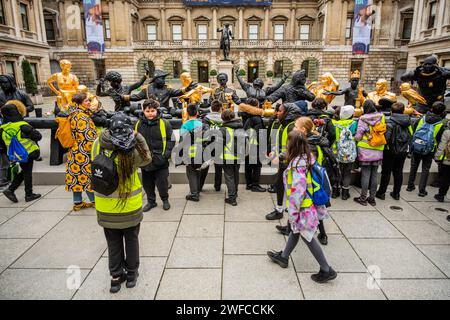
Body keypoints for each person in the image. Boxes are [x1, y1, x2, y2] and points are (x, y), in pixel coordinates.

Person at [92, 113, 151, 294]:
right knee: (131, 239)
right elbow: (147, 159)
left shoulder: (97, 143)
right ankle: (132, 274)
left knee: (113, 242)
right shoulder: (131, 150)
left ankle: (116, 278)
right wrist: (138, 136)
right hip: (129, 205)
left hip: (105, 205)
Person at [267, 130, 337, 283]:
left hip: (302, 207)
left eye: (288, 143)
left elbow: (297, 192)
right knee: (295, 230)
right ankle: (284, 257)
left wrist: (293, 212)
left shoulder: (297, 165)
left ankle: (326, 269)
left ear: (293, 145)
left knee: (307, 236)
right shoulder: (308, 158)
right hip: (309, 204)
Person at [277, 117, 331, 245]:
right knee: (314, 207)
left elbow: (302, 158)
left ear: (303, 129)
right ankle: (289, 228)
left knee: (315, 207)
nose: (294, 128)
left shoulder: (309, 143)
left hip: (311, 182)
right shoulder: (309, 139)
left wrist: (285, 157)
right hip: (310, 180)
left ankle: (322, 234)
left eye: (296, 126)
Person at [266, 103, 304, 220]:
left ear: (288, 113)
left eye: (280, 111)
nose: (277, 113)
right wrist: (274, 152)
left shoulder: (293, 128)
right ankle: (280, 210)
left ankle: (290, 218)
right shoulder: (283, 125)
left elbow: (295, 148)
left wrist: (280, 156)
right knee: (279, 185)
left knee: (290, 189)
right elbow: (280, 144)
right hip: (285, 163)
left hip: (292, 164)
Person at [136, 99, 175, 212]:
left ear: (156, 111)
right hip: (146, 160)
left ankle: (165, 199)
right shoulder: (138, 124)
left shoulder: (164, 123)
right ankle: (151, 201)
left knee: (162, 183)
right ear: (143, 111)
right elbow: (135, 141)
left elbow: (171, 140)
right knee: (147, 183)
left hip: (160, 160)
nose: (150, 113)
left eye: (152, 111)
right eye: (147, 111)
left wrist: (165, 155)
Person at [0, 100, 41, 202]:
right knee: (27, 173)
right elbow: (38, 136)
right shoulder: (22, 125)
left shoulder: (3, 128)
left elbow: (2, 144)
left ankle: (11, 190)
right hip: (28, 153)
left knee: (25, 171)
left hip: (15, 154)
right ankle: (28, 194)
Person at [407, 101, 446, 196]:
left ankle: (410, 186)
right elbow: (440, 139)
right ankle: (421, 190)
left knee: (414, 166)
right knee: (425, 169)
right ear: (442, 112)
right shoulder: (440, 124)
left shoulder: (422, 118)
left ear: (431, 109)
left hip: (416, 145)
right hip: (429, 150)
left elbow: (413, 130)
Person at [66, 93, 98, 211]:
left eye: (89, 100)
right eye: (86, 101)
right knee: (87, 177)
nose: (89, 102)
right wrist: (95, 151)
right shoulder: (81, 117)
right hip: (83, 152)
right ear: (80, 103)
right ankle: (94, 201)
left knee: (76, 177)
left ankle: (78, 203)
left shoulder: (75, 113)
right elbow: (87, 137)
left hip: (75, 151)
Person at [376, 102, 413, 200]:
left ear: (391, 111)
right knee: (398, 172)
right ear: (403, 111)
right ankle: (396, 193)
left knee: (386, 172)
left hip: (390, 151)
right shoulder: (408, 122)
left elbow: (386, 139)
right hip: (403, 150)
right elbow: (411, 135)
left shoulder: (390, 122)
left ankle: (381, 192)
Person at [354, 100, 386, 206]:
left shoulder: (362, 119)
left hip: (365, 150)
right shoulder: (382, 117)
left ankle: (363, 198)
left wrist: (356, 138)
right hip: (378, 148)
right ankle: (372, 198)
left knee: (365, 174)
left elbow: (358, 136)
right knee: (374, 175)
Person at [180, 104, 210, 201]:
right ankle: (199, 188)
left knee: (191, 172)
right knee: (199, 170)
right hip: (202, 152)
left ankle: (194, 194)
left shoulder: (185, 125)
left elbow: (182, 141)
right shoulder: (202, 124)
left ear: (187, 113)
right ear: (197, 113)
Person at [331, 105, 358, 201]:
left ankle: (335, 191)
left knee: (337, 171)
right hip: (349, 152)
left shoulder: (335, 124)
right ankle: (345, 193)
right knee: (347, 171)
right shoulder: (354, 123)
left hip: (337, 151)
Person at [219, 109, 245, 206]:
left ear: (223, 118)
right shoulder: (240, 128)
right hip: (238, 156)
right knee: (236, 174)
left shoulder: (223, 130)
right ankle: (235, 192)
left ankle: (232, 198)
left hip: (227, 156)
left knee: (229, 176)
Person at [243, 98, 266, 192]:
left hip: (247, 144)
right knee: (257, 165)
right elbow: (260, 134)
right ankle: (255, 185)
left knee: (248, 165)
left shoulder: (245, 115)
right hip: (255, 145)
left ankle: (249, 184)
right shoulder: (256, 118)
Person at [202, 99, 224, 191]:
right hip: (219, 144)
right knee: (218, 167)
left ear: (211, 108)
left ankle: (199, 186)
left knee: (204, 166)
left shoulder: (206, 118)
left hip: (208, 145)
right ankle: (217, 186)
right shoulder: (223, 118)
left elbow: (203, 132)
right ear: (220, 109)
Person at [434, 124, 450, 202]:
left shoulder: (447, 132)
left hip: (447, 160)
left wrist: (437, 157)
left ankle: (441, 195)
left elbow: (442, 146)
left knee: (445, 178)